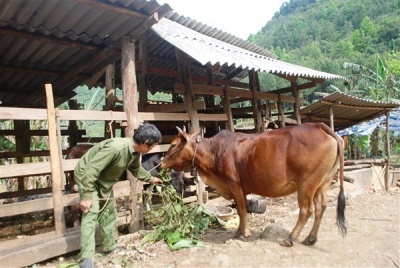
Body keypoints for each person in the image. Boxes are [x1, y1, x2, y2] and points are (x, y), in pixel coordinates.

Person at [75, 123, 163, 268]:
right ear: (144, 143)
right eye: (152, 146)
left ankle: (109, 247)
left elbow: (136, 169)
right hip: (88, 178)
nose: (151, 149)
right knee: (91, 214)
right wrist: (86, 196)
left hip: (103, 180)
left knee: (109, 212)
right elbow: (91, 170)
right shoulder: (116, 148)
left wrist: (151, 179)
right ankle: (86, 258)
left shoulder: (134, 153)